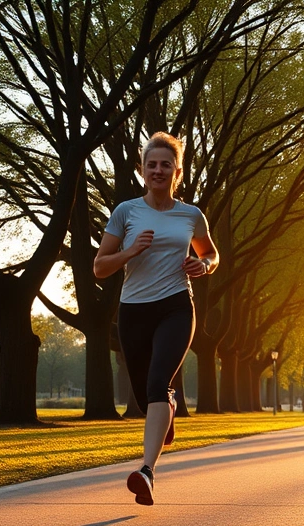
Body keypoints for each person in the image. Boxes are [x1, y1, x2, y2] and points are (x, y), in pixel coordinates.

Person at [94, 132, 218, 506]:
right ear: (142, 170)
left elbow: (212, 253)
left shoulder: (190, 215)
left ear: (177, 171)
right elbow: (100, 267)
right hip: (133, 311)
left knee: (156, 384)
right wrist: (130, 251)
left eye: (166, 164)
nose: (158, 170)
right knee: (149, 393)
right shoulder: (126, 212)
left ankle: (146, 471)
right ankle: (168, 409)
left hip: (177, 306)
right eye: (152, 164)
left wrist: (205, 265)